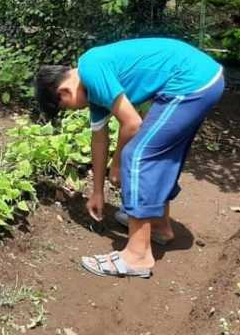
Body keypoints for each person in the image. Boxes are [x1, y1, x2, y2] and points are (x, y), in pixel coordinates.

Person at [35, 37, 224, 279]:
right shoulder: (94, 90)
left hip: (190, 82)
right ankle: (158, 226)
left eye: (65, 107)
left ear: (63, 92)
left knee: (137, 157)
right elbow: (99, 139)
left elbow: (132, 124)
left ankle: (137, 255)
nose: (74, 110)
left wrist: (118, 163)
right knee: (159, 154)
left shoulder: (91, 68)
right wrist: (97, 192)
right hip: (203, 79)